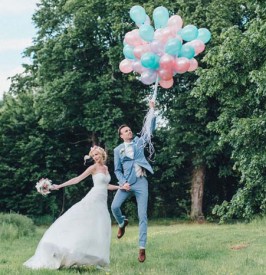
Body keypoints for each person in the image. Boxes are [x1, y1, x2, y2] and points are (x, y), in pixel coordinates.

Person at [23, 146, 123, 270]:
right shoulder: (93, 168)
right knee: (80, 223)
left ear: (103, 154)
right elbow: (77, 179)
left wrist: (120, 187)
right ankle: (62, 251)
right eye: (94, 156)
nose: (96, 157)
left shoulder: (106, 168)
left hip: (102, 202)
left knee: (97, 227)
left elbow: (106, 185)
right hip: (93, 198)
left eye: (97, 154)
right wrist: (60, 185)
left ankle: (92, 257)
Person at [111, 101, 156, 263]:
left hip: (141, 182)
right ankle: (122, 223)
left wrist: (152, 111)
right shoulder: (118, 150)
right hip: (126, 184)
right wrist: (122, 182)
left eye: (129, 129)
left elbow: (150, 130)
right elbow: (117, 170)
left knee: (142, 215)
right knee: (114, 206)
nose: (129, 131)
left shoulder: (139, 142)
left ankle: (142, 248)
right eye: (125, 131)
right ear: (121, 136)